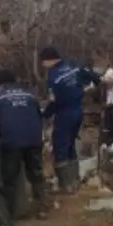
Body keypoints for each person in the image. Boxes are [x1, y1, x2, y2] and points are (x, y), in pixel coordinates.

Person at [39, 46, 101, 193]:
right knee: (71, 145)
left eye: (43, 62)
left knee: (60, 146)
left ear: (49, 60)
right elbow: (93, 77)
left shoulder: (53, 76)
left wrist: (45, 114)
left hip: (64, 114)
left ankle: (66, 185)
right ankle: (75, 181)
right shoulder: (74, 65)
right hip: (78, 111)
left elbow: (54, 101)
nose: (42, 65)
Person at [0, 69, 47, 219]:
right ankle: (42, 209)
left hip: (11, 141)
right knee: (36, 174)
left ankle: (9, 212)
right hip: (34, 139)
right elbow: (39, 116)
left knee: (9, 178)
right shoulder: (30, 95)